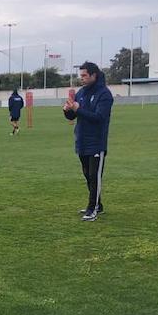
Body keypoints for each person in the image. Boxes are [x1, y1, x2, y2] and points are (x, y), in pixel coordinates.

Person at [63, 61, 113, 222]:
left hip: (96, 143)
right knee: (87, 176)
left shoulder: (104, 94)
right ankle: (98, 205)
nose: (82, 79)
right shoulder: (81, 93)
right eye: (81, 76)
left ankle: (92, 209)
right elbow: (74, 116)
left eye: (85, 75)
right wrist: (68, 111)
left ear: (94, 75)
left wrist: (78, 109)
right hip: (82, 141)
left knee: (94, 176)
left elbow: (99, 118)